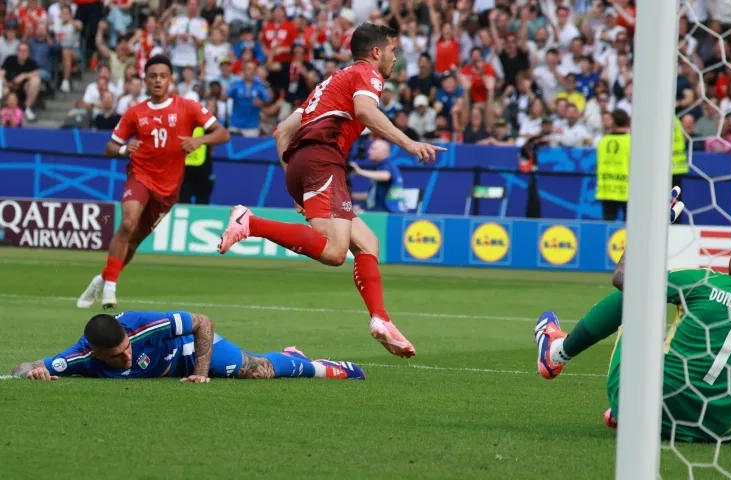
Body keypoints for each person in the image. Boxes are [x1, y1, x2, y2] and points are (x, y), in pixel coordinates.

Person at [216, 23, 444, 358]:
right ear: (376, 52)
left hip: (301, 163)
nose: (396, 59)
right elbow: (366, 112)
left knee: (368, 243)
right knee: (335, 252)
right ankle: (250, 223)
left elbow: (282, 132)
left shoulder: (329, 83)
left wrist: (296, 185)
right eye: (393, 51)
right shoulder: (368, 73)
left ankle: (380, 319)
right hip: (324, 159)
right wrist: (408, 142)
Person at [534, 190, 731, 448]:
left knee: (636, 296)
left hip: (644, 409)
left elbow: (622, 278)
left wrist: (652, 227)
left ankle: (556, 354)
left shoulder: (702, 282)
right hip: (715, 432)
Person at [76, 54, 231, 310]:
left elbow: (222, 133)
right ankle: (111, 289)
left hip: (168, 188)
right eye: (153, 76)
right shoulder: (135, 113)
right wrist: (125, 149)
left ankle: (103, 279)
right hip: (140, 176)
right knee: (127, 223)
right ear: (145, 81)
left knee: (135, 240)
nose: (158, 81)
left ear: (170, 80)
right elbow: (109, 148)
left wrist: (199, 140)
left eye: (163, 76)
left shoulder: (188, 106)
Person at [12, 311, 365, 382]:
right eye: (117, 356)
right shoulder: (78, 357)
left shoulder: (143, 326)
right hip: (170, 366)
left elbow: (203, 322)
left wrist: (199, 372)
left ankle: (318, 366)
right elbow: (21, 368)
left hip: (184, 351)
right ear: (96, 354)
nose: (127, 355)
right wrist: (35, 372)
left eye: (127, 347)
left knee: (255, 371)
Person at [349, 139, 406, 213]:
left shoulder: (387, 164)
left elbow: (386, 176)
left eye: (373, 149)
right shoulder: (380, 167)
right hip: (382, 211)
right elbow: (371, 196)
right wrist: (350, 195)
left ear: (384, 151)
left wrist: (360, 172)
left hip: (389, 214)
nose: (369, 151)